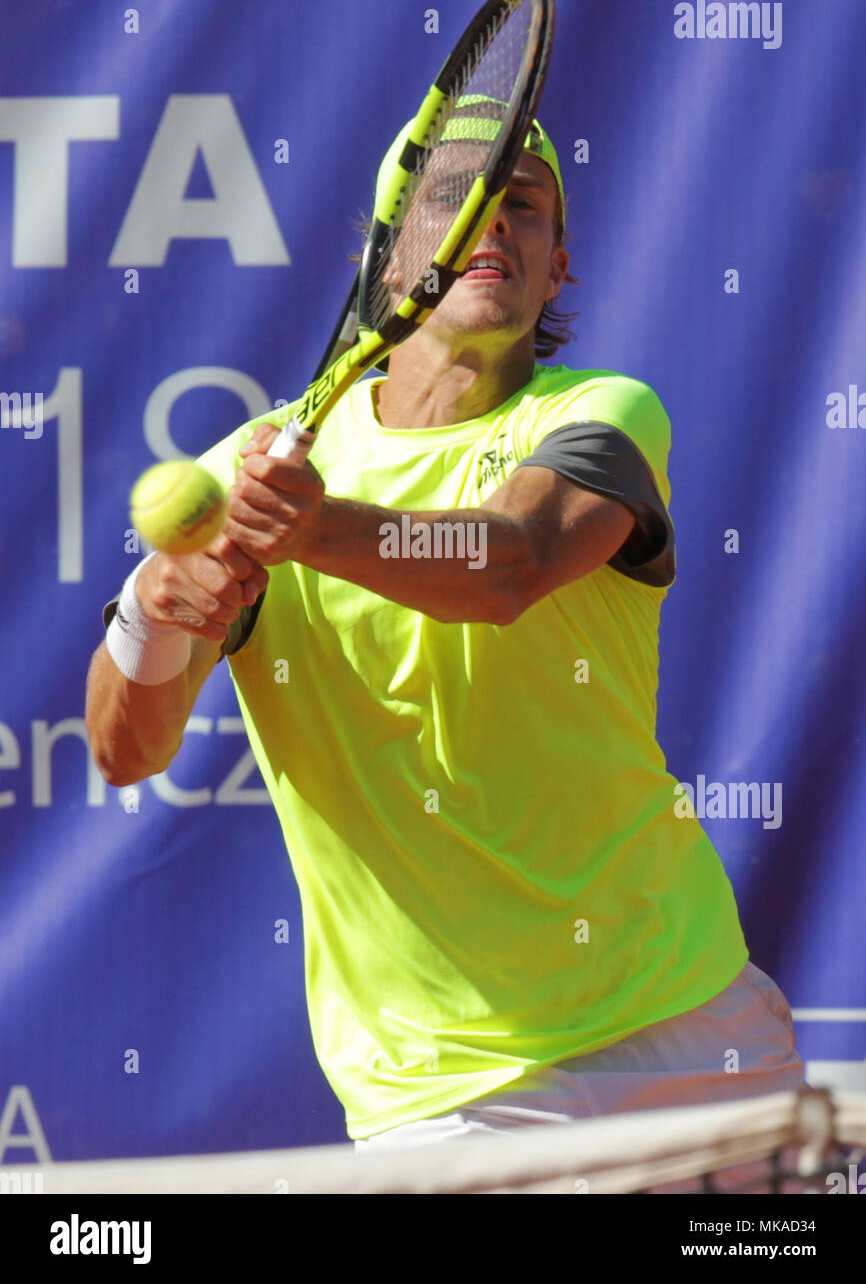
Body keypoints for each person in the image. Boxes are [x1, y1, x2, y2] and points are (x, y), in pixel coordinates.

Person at [85, 116, 804, 1176]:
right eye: (450, 196)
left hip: (699, 1027)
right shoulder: (250, 465)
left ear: (558, 261)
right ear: (385, 255)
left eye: (521, 202)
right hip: (450, 1094)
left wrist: (312, 530)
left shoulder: (600, 415)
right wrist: (160, 607)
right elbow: (123, 748)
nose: (488, 223)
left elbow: (509, 563)